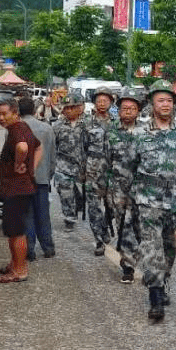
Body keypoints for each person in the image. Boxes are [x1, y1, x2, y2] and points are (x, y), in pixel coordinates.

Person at [128, 79, 176, 322]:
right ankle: (155, 298)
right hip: (149, 201)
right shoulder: (139, 134)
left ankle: (162, 282)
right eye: (160, 101)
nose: (165, 104)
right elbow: (130, 167)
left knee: (168, 250)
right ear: (151, 105)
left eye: (169, 100)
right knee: (152, 249)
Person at [0, 96, 40, 283]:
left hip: (16, 189)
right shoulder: (22, 127)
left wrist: (20, 163)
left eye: (4, 114)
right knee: (14, 229)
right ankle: (15, 264)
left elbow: (23, 147)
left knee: (16, 231)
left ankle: (19, 270)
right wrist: (31, 169)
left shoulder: (17, 130)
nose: (1, 118)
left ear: (15, 112)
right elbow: (38, 147)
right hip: (20, 187)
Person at [107, 88, 143, 284]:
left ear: (138, 111)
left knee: (142, 228)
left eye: (132, 108)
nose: (128, 111)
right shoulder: (111, 133)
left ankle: (147, 262)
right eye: (124, 108)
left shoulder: (146, 132)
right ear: (118, 110)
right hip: (119, 189)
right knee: (124, 226)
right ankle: (128, 266)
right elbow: (105, 161)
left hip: (144, 190)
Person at [19, 96, 56, 260]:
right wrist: (48, 174)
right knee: (43, 214)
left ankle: (29, 250)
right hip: (41, 179)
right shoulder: (47, 129)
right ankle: (48, 247)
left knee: (27, 215)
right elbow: (53, 156)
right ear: (34, 110)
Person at [82, 87, 116, 256]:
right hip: (93, 172)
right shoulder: (87, 123)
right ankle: (99, 240)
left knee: (113, 207)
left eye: (105, 100)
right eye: (99, 100)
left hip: (113, 173)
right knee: (94, 208)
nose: (102, 103)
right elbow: (82, 148)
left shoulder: (117, 123)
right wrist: (82, 171)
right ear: (94, 102)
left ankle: (106, 229)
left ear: (111, 102)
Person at [52, 95, 87, 229]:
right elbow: (53, 146)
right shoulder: (57, 126)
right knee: (65, 193)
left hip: (82, 165)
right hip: (63, 165)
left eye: (72, 107)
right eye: (66, 108)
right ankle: (69, 218)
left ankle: (79, 207)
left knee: (81, 194)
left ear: (78, 108)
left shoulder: (87, 125)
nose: (69, 111)